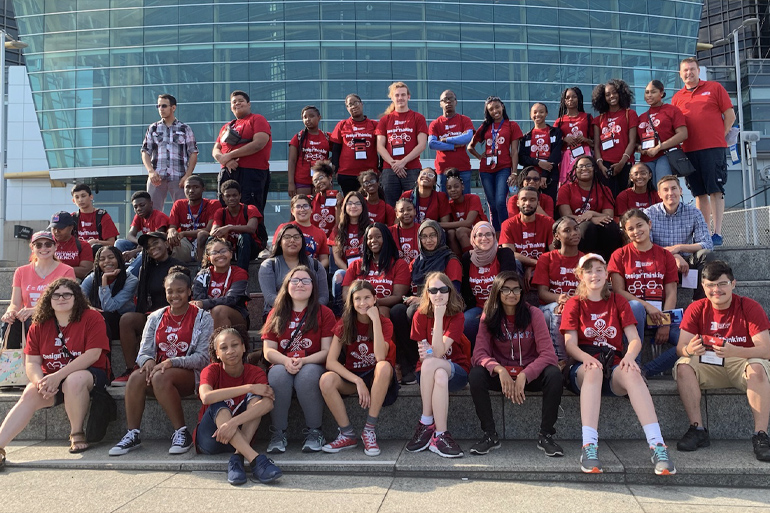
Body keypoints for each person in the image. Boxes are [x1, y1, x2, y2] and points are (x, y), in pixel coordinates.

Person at [561, 253, 675, 476]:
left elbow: (634, 339)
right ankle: (589, 447)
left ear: (607, 274)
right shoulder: (574, 303)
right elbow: (570, 345)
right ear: (580, 276)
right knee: (593, 371)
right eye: (589, 270)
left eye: (599, 270)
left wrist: (629, 358)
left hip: (612, 366)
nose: (594, 274)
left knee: (632, 373)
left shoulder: (617, 300)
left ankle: (658, 446)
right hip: (583, 369)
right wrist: (587, 359)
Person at [0, 278, 110, 465]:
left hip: (90, 374)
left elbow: (93, 355)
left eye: (67, 294)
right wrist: (39, 383)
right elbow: (32, 361)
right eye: (56, 295)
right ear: (48, 300)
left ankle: (76, 432)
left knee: (73, 380)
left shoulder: (92, 317)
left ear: (77, 298)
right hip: (52, 377)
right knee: (30, 392)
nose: (61, 298)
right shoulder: (39, 323)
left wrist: (57, 376)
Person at [109, 267, 213, 457]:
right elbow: (144, 351)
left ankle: (182, 433)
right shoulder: (156, 317)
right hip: (158, 371)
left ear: (189, 291)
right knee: (135, 378)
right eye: (170, 291)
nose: (175, 295)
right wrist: (147, 361)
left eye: (180, 290)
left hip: (189, 374)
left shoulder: (203, 318)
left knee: (160, 377)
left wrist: (172, 362)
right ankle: (132, 434)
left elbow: (203, 358)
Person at [673, 260, 770, 462]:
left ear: (733, 284)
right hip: (709, 363)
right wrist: (689, 349)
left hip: (740, 361)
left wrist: (735, 350)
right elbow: (680, 347)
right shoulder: (696, 308)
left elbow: (766, 350)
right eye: (711, 285)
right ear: (703, 287)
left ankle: (760, 434)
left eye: (722, 284)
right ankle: (697, 429)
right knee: (683, 365)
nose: (716, 290)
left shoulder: (749, 307)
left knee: (757, 368)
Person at [469, 272, 563, 456]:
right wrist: (499, 369)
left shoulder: (533, 313)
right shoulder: (489, 315)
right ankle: (490, 435)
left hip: (529, 375)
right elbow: (479, 354)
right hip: (502, 375)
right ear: (497, 291)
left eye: (516, 289)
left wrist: (525, 374)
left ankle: (546, 435)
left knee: (554, 374)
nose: (511, 294)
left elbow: (548, 355)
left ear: (522, 292)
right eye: (505, 289)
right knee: (476, 374)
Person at [262, 266, 336, 454]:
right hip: (282, 362)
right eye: (294, 280)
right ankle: (278, 432)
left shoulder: (324, 313)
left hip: (313, 363)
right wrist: (286, 361)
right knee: (277, 374)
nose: (300, 284)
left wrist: (303, 361)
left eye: (305, 280)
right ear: (287, 286)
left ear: (313, 286)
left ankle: (315, 431)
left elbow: (327, 351)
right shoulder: (276, 313)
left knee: (308, 374)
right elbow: (268, 351)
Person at [319, 280, 398, 457]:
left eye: (367, 298)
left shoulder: (384, 323)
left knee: (384, 366)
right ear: (352, 302)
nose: (363, 303)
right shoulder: (344, 323)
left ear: (375, 299)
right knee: (326, 379)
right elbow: (330, 362)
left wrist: (375, 319)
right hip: (354, 376)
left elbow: (379, 357)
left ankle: (369, 430)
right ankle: (347, 434)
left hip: (377, 377)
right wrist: (357, 380)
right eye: (358, 299)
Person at [196, 326, 282, 485]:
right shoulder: (211, 371)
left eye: (234, 345)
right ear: (217, 354)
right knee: (216, 403)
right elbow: (206, 397)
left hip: (240, 434)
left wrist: (232, 424)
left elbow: (268, 404)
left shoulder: (255, 372)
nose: (230, 351)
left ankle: (237, 457)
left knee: (257, 399)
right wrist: (249, 387)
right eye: (223, 347)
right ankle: (256, 460)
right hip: (211, 439)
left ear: (243, 347)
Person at [406, 272, 470, 458]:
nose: (438, 294)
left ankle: (426, 422)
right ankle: (440, 435)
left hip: (456, 371)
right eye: (433, 290)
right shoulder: (419, 315)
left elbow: (438, 352)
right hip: (429, 373)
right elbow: (426, 354)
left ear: (450, 292)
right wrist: (431, 354)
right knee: (437, 371)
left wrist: (440, 316)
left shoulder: (457, 316)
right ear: (427, 293)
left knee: (435, 365)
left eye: (443, 289)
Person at [671, 57, 735, 246]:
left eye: (692, 69)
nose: (689, 73)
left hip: (713, 148)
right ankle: (705, 232)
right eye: (685, 70)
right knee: (699, 193)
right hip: (689, 150)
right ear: (680, 74)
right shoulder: (677, 98)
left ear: (699, 71)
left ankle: (717, 233)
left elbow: (730, 115)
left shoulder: (714, 88)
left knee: (715, 189)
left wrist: (720, 136)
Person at [609, 209, 680, 377]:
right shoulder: (619, 255)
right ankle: (635, 363)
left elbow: (671, 292)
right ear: (626, 232)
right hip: (632, 315)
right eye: (630, 229)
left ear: (649, 224)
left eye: (639, 225)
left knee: (692, 344)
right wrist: (647, 306)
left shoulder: (665, 255)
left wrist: (665, 322)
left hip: (660, 316)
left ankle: (646, 371)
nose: (636, 231)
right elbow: (619, 291)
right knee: (635, 307)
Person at [392, 220, 463, 385]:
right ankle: (409, 363)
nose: (428, 240)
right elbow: (410, 289)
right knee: (396, 311)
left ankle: (424, 358)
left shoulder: (450, 260)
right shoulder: (417, 262)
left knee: (413, 312)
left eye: (432, 235)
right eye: (424, 237)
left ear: (440, 237)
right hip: (422, 304)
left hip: (444, 305)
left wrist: (423, 299)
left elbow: (455, 294)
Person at [114, 232, 182, 386]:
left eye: (156, 243)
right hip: (152, 317)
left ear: (166, 244)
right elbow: (142, 299)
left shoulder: (178, 266)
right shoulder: (145, 268)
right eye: (148, 247)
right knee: (127, 319)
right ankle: (131, 368)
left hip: (173, 317)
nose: (152, 248)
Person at [212, 90, 272, 244]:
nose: (237, 103)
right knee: (224, 206)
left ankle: (257, 242)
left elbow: (259, 143)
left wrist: (230, 156)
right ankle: (224, 243)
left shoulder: (257, 119)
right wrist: (225, 160)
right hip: (228, 173)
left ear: (249, 104)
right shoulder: (227, 126)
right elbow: (216, 149)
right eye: (234, 102)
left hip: (252, 172)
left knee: (251, 208)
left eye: (241, 100)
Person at [644, 174, 715, 300]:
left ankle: (700, 302)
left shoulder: (694, 212)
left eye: (674, 188)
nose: (670, 193)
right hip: (660, 262)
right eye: (665, 190)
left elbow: (707, 243)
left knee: (706, 254)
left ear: (680, 190)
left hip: (686, 265)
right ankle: (655, 303)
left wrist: (679, 248)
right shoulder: (649, 213)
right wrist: (674, 256)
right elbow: (646, 245)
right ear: (659, 194)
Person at [1, 231, 75, 350]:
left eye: (48, 244)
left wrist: (35, 310)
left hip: (54, 317)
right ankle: (12, 363)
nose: (43, 248)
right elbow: (15, 303)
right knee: (10, 322)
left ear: (55, 247)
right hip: (27, 319)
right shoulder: (21, 272)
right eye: (38, 245)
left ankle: (37, 360)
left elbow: (67, 302)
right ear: (32, 248)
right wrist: (10, 312)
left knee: (35, 320)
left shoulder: (66, 271)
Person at [467, 96, 523, 232]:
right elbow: (470, 146)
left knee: (500, 202)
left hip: (503, 168)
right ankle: (496, 234)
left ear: (502, 106)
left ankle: (506, 232)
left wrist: (514, 172)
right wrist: (480, 156)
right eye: (491, 109)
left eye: (497, 107)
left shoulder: (512, 125)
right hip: (486, 170)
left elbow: (514, 151)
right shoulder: (485, 126)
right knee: (492, 205)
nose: (495, 111)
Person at [533, 217, 583, 362]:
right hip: (549, 308)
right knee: (559, 309)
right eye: (567, 230)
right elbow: (542, 293)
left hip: (577, 306)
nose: (574, 233)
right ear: (557, 236)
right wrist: (558, 298)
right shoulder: (546, 258)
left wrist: (571, 302)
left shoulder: (585, 259)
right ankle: (561, 361)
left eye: (576, 228)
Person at [461, 221, 518, 344]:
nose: (484, 238)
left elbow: (508, 284)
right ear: (473, 239)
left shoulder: (504, 254)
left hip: (503, 305)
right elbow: (465, 291)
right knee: (467, 321)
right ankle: (474, 358)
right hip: (478, 307)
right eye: (479, 235)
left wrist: (491, 309)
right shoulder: (467, 258)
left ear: (494, 237)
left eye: (488, 234)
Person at [556, 156, 623, 261]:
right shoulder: (566, 189)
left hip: (600, 228)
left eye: (588, 165)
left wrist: (591, 213)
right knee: (587, 227)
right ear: (575, 170)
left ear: (594, 169)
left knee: (610, 225)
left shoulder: (604, 189)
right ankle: (585, 262)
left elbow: (608, 215)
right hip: (577, 226)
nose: (584, 168)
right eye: (580, 166)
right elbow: (566, 216)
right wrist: (590, 219)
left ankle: (611, 262)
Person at [141, 93, 198, 212]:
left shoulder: (185, 128)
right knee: (153, 211)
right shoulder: (153, 128)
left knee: (183, 211)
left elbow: (193, 153)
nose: (161, 109)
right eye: (158, 106)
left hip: (179, 177)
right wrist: (151, 171)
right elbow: (145, 151)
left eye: (164, 106)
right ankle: (156, 231)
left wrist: (187, 175)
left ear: (173, 108)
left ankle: (179, 231)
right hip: (157, 177)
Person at [376, 81, 429, 206]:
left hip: (412, 168)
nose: (400, 98)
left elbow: (421, 145)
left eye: (403, 95)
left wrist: (403, 162)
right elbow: (379, 146)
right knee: (390, 205)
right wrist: (394, 164)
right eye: (397, 95)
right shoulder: (385, 119)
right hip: (390, 169)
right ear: (392, 97)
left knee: (414, 203)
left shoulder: (418, 117)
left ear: (408, 97)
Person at [258, 223, 328, 318]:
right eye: (287, 237)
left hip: (311, 314)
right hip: (279, 314)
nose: (292, 240)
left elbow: (323, 297)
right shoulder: (269, 265)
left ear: (302, 242)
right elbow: (270, 297)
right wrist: (295, 310)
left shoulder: (316, 265)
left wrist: (306, 311)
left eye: (296, 237)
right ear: (279, 242)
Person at [342, 223, 410, 318]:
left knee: (380, 312)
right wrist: (361, 304)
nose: (373, 240)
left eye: (378, 237)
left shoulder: (399, 265)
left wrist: (372, 302)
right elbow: (346, 293)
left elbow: (398, 296)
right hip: (358, 307)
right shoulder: (355, 264)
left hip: (383, 307)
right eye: (369, 238)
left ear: (386, 239)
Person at [592, 79, 639, 198]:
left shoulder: (630, 114)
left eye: (614, 92)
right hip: (605, 165)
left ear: (621, 93)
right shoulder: (599, 119)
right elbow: (596, 145)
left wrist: (622, 163)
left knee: (626, 198)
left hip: (625, 163)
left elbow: (632, 141)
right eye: (607, 94)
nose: (611, 96)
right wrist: (600, 164)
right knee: (608, 199)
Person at [81, 246, 139, 340]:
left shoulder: (131, 280)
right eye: (102, 259)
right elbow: (77, 297)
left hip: (121, 322)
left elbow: (109, 307)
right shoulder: (93, 277)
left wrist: (104, 280)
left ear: (119, 259)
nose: (107, 261)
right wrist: (90, 308)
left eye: (111, 257)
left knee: (105, 316)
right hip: (98, 318)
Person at [499, 186, 555, 284]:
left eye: (532, 200)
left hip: (542, 265)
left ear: (538, 203)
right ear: (517, 202)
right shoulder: (508, 224)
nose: (527, 203)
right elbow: (510, 253)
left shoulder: (548, 222)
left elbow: (554, 251)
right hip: (520, 267)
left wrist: (534, 266)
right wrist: (534, 263)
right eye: (523, 199)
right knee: (513, 262)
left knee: (555, 262)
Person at [192, 238, 250, 330]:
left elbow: (232, 300)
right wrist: (204, 304)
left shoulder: (239, 273)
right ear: (209, 258)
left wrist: (205, 303)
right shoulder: (202, 275)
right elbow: (199, 300)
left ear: (231, 254)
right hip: (206, 317)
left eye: (223, 251)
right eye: (214, 253)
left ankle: (220, 343)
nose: (220, 255)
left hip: (236, 317)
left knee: (219, 311)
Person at [637, 80, 688, 185]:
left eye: (653, 92)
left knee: (664, 185)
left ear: (661, 93)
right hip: (646, 158)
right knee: (649, 190)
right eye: (647, 92)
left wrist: (659, 147)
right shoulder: (642, 116)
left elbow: (683, 134)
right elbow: (636, 141)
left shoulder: (672, 110)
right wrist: (639, 148)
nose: (649, 95)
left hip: (665, 155)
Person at [330, 94, 380, 196]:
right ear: (347, 108)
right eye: (350, 104)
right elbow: (335, 150)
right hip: (347, 174)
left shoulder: (374, 125)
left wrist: (381, 169)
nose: (353, 106)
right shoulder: (342, 125)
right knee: (351, 204)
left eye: (356, 103)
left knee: (369, 203)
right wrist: (337, 172)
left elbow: (382, 147)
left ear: (362, 104)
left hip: (369, 174)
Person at [210, 179, 265, 270]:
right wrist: (223, 235)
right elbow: (213, 232)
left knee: (245, 237)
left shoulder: (250, 209)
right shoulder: (220, 212)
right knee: (210, 239)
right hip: (229, 248)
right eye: (228, 196)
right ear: (223, 198)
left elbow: (251, 228)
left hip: (250, 248)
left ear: (240, 196)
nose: (231, 198)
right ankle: (206, 271)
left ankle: (241, 274)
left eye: (234, 195)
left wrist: (229, 228)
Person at [428, 89, 474, 193]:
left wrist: (445, 140)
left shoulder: (464, 120)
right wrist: (454, 146)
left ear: (456, 102)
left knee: (465, 201)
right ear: (440, 104)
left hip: (463, 168)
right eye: (445, 100)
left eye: (451, 99)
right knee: (443, 204)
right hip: (442, 170)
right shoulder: (435, 124)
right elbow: (432, 144)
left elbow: (467, 137)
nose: (448, 102)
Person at [116, 191, 170, 277]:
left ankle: (128, 275)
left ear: (151, 204)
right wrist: (140, 242)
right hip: (144, 246)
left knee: (144, 253)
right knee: (119, 242)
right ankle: (116, 267)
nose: (138, 209)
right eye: (135, 207)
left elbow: (158, 242)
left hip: (157, 250)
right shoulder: (138, 216)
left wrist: (135, 251)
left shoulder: (159, 216)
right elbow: (130, 235)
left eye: (142, 205)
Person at [330, 191, 371, 303]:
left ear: (363, 207)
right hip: (345, 269)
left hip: (368, 269)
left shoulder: (371, 227)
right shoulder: (338, 229)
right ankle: (339, 311)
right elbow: (337, 259)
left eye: (357, 203)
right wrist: (350, 272)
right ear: (345, 206)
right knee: (338, 275)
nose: (353, 206)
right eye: (350, 203)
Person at [518, 102, 562, 203]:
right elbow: (522, 158)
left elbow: (556, 155)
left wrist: (544, 175)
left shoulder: (556, 132)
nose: (538, 115)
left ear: (546, 113)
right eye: (535, 112)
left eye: (541, 112)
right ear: (531, 115)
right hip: (531, 179)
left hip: (550, 177)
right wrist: (538, 163)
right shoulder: (526, 137)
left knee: (550, 204)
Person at [167, 175, 215, 263]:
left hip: (205, 242)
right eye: (187, 187)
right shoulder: (179, 204)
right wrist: (171, 232)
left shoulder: (212, 204)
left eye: (196, 187)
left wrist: (184, 233)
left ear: (203, 189)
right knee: (167, 240)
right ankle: (175, 269)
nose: (191, 191)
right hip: (185, 242)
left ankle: (201, 267)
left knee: (202, 235)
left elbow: (208, 230)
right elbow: (172, 226)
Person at [273, 194, 330, 268]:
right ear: (292, 211)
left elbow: (325, 259)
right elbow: (276, 252)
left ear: (311, 209)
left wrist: (314, 270)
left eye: (305, 206)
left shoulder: (320, 233)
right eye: (298, 206)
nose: (302, 209)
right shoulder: (283, 228)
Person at [288, 106, 330, 198]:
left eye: (311, 116)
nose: (308, 119)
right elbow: (292, 161)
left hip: (322, 180)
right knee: (302, 207)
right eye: (305, 117)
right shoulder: (298, 137)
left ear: (319, 118)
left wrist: (329, 164)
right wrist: (291, 183)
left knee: (321, 209)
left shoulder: (327, 137)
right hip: (302, 181)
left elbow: (340, 151)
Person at [555, 87, 594, 186]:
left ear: (579, 99)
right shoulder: (559, 121)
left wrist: (585, 140)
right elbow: (554, 144)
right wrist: (564, 140)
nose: (570, 100)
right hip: (566, 157)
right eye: (567, 98)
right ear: (564, 101)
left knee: (585, 183)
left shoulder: (587, 117)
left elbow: (595, 142)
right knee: (567, 185)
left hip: (585, 155)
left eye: (574, 97)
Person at [443, 168, 487, 255]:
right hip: (464, 238)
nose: (453, 190)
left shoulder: (473, 198)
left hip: (482, 233)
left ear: (462, 187)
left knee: (460, 231)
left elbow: (468, 223)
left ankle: (471, 261)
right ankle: (459, 263)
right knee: (451, 233)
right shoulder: (449, 204)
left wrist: (439, 224)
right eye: (449, 188)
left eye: (456, 186)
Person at [70, 183, 119, 254]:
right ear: (73, 201)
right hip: (79, 254)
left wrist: (96, 242)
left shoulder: (102, 215)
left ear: (91, 197)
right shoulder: (72, 218)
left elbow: (112, 243)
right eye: (77, 197)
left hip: (99, 255)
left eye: (83, 196)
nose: (80, 200)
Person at [49, 211, 93, 280]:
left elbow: (86, 271)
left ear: (71, 227)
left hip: (73, 282)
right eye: (54, 228)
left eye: (61, 228)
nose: (56, 231)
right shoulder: (45, 245)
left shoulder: (83, 245)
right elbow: (37, 267)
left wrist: (59, 269)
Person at [310, 160, 343, 242]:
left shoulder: (340, 199)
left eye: (321, 178)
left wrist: (338, 207)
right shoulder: (309, 200)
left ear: (330, 178)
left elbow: (340, 226)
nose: (319, 182)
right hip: (314, 241)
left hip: (333, 242)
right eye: (315, 181)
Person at [389, 198, 420, 265]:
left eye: (409, 210)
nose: (406, 213)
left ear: (415, 211)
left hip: (418, 269)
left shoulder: (422, 230)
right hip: (396, 270)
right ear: (396, 214)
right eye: (401, 211)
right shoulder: (389, 231)